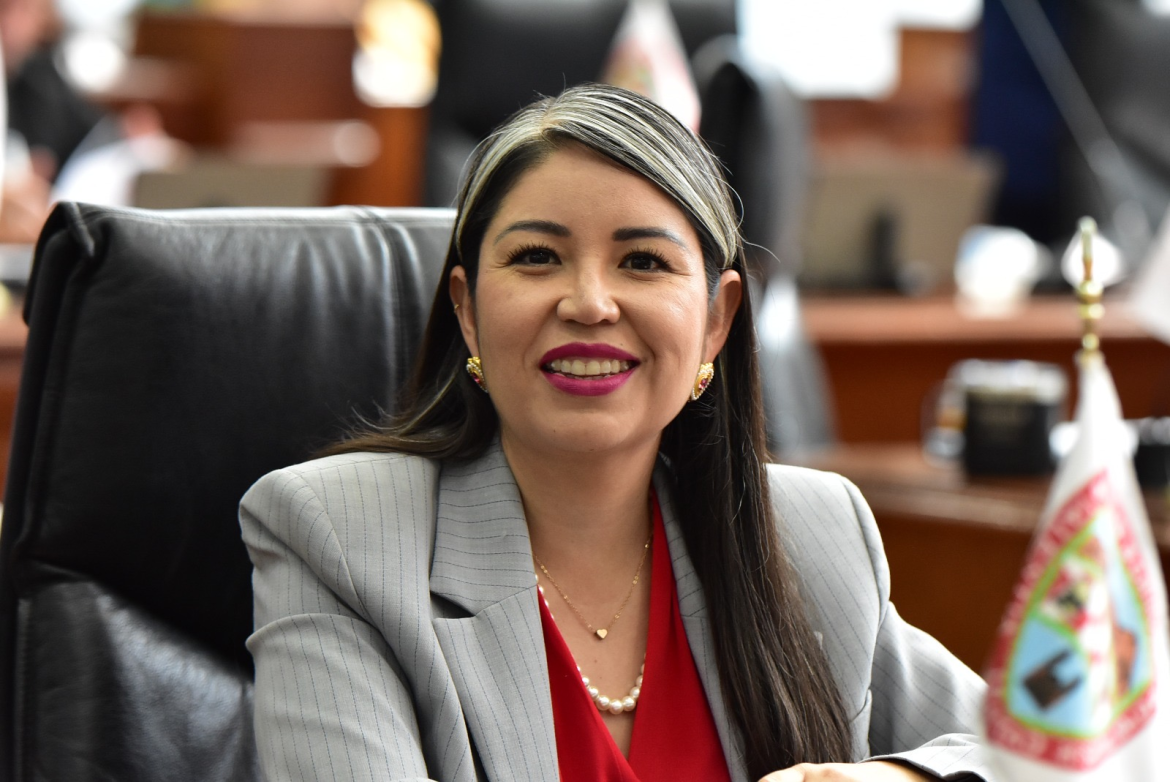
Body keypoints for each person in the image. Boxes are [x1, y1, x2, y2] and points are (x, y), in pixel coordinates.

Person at [240, 83, 994, 782]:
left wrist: (897, 776)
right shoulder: (344, 536)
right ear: (467, 310)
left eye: (642, 261)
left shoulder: (808, 530)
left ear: (717, 320)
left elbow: (1043, 752)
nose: (590, 303)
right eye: (538, 257)